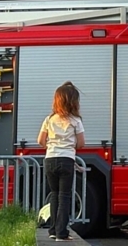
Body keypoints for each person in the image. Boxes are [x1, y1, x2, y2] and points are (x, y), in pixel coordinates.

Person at [37, 81, 86, 242]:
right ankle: (61, 233)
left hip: (50, 159)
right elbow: (81, 143)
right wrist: (69, 147)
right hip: (66, 160)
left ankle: (52, 230)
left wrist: (51, 147)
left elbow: (40, 140)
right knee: (65, 196)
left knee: (54, 194)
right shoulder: (75, 121)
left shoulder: (49, 119)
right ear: (74, 102)